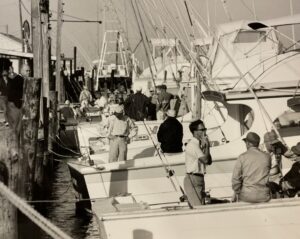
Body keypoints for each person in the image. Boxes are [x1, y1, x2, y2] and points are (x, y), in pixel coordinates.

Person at [232, 132, 271, 203]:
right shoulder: (267, 156)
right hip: (264, 196)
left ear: (248, 144)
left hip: (246, 197)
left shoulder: (242, 157)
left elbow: (235, 179)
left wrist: (238, 191)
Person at [183, 119, 212, 206]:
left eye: (205, 129)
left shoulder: (198, 145)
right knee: (198, 207)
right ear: (195, 132)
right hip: (193, 178)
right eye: (202, 130)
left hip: (199, 178)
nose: (205, 131)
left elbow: (209, 161)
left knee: (201, 205)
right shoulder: (193, 145)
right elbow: (206, 160)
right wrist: (207, 146)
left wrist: (207, 147)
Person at [7, 64, 30, 131]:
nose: (29, 72)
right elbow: (13, 95)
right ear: (21, 71)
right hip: (15, 106)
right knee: (16, 128)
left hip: (16, 105)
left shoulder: (21, 79)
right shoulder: (18, 80)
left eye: (29, 71)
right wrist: (20, 106)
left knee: (19, 128)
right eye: (27, 71)